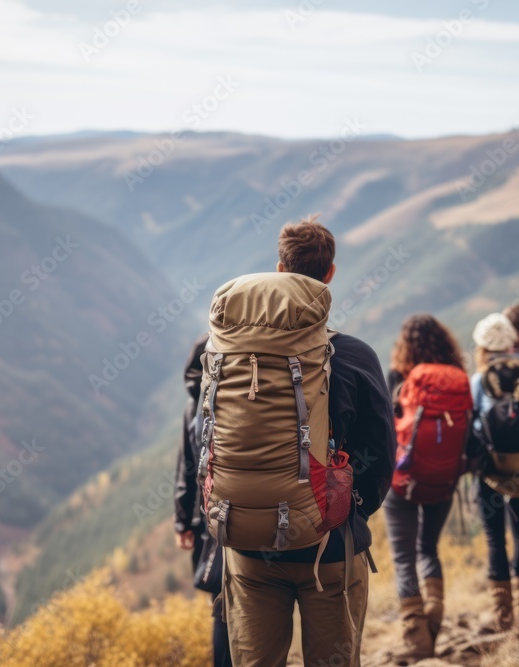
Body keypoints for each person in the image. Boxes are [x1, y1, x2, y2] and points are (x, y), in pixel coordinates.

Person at [220, 217, 395, 667]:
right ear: (330, 274)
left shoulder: (229, 352)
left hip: (248, 544)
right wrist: (347, 507)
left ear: (279, 270)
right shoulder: (353, 355)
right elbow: (380, 456)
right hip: (329, 545)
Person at [384, 315, 470, 662]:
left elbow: (385, 428)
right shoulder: (458, 378)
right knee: (427, 549)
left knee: (404, 557)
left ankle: (418, 640)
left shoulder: (398, 379)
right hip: (444, 481)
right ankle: (433, 612)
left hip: (402, 482)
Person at [470, 313, 519, 632]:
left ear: (481, 347)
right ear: (511, 343)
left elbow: (471, 427)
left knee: (496, 539)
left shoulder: (477, 381)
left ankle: (503, 615)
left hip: (489, 471)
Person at [174, 332, 232, 667]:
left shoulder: (193, 403)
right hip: (242, 510)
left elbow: (185, 464)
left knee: (220, 607)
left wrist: (183, 520)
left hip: (205, 518)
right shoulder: (239, 394)